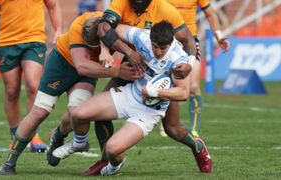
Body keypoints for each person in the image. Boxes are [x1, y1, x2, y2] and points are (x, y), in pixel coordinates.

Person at [49, 0, 211, 175]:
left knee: (172, 128)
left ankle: (197, 146)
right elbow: (105, 29)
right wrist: (126, 52)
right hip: (134, 69)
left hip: (155, 96)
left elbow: (187, 43)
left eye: (161, 48)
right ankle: (104, 159)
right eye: (154, 47)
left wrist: (189, 63)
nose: (157, 52)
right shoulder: (140, 34)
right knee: (89, 114)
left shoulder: (171, 31)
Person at [0, 12, 140, 176]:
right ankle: (9, 162)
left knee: (79, 112)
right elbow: (82, 66)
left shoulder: (117, 29)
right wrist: (117, 71)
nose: (89, 49)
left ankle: (60, 134)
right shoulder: (78, 26)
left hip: (88, 72)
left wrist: (107, 51)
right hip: (61, 65)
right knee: (40, 111)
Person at [0, 0, 63, 152]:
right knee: (11, 91)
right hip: (7, 41)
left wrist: (59, 29)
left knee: (33, 85)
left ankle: (33, 135)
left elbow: (53, 5)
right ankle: (15, 136)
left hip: (34, 40)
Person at [165, 0, 230, 137]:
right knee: (167, 83)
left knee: (194, 87)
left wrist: (219, 36)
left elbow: (210, 14)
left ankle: (194, 129)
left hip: (190, 42)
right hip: (167, 42)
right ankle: (168, 123)